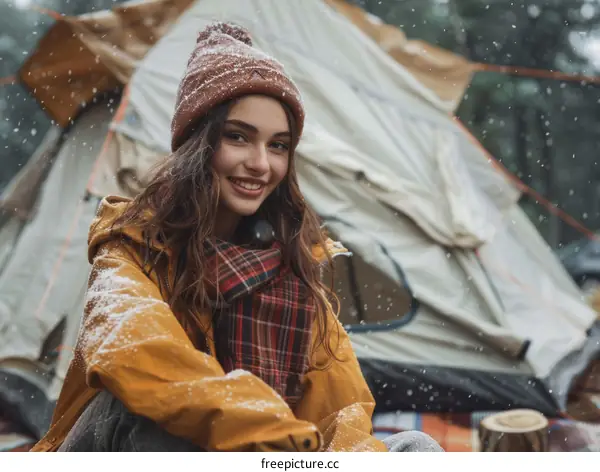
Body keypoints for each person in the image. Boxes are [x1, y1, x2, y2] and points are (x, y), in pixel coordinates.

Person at [31, 22, 443, 453]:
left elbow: (340, 415)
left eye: (278, 145)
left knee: (415, 448)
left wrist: (319, 457)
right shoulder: (131, 250)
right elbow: (135, 354)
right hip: (123, 445)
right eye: (238, 138)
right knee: (144, 409)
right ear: (199, 144)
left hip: (264, 453)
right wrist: (276, 437)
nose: (261, 164)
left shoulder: (295, 275)